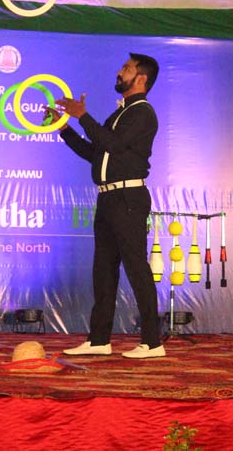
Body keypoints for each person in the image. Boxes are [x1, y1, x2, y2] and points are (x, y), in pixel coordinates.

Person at [50, 53, 165, 359]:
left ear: (141, 78)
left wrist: (82, 116)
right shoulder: (119, 114)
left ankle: (153, 343)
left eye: (126, 69)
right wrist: (64, 128)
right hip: (108, 198)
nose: (119, 71)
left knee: (137, 268)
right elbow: (96, 152)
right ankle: (99, 339)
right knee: (103, 270)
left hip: (128, 198)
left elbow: (112, 144)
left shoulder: (143, 113)